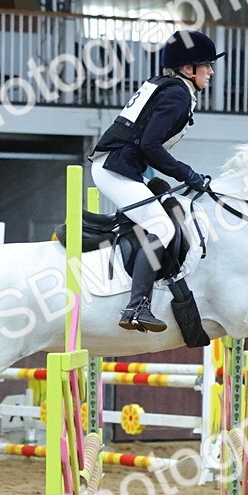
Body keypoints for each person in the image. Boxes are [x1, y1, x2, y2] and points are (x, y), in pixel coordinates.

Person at [88, 29, 223, 332]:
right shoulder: (176, 93)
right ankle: (136, 307)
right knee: (161, 227)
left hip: (120, 166)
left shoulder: (170, 87)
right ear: (189, 69)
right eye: (206, 65)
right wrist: (187, 173)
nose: (211, 72)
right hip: (114, 168)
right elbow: (150, 145)